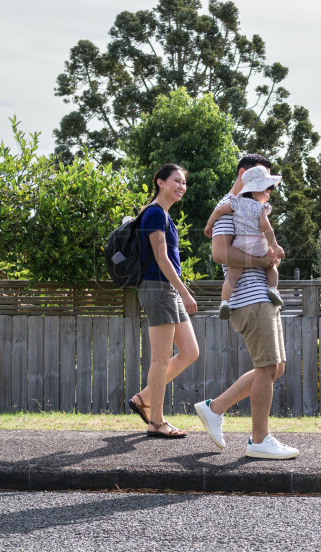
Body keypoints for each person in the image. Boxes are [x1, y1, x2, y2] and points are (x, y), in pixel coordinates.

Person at [195, 154, 299, 459]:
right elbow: (219, 253)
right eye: (260, 178)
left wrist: (272, 255)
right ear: (243, 174)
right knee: (267, 367)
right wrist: (261, 260)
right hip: (248, 297)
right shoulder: (231, 205)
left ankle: (214, 409)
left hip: (262, 296)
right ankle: (259, 440)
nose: (265, 187)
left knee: (274, 368)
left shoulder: (253, 206)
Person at [127, 164, 199, 438]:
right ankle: (156, 421)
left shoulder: (163, 215)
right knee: (159, 359)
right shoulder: (155, 213)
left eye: (184, 182)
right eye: (176, 181)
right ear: (160, 182)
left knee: (190, 351)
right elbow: (161, 258)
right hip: (159, 288)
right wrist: (184, 290)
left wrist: (177, 290)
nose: (181, 186)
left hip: (166, 289)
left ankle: (143, 398)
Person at [204, 165, 285, 320]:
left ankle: (224, 302)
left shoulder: (236, 203)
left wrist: (209, 224)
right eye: (267, 192)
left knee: (232, 278)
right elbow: (267, 229)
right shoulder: (260, 208)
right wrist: (275, 246)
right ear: (257, 191)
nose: (268, 196)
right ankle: (273, 289)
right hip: (258, 244)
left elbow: (219, 211)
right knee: (271, 264)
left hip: (240, 245)